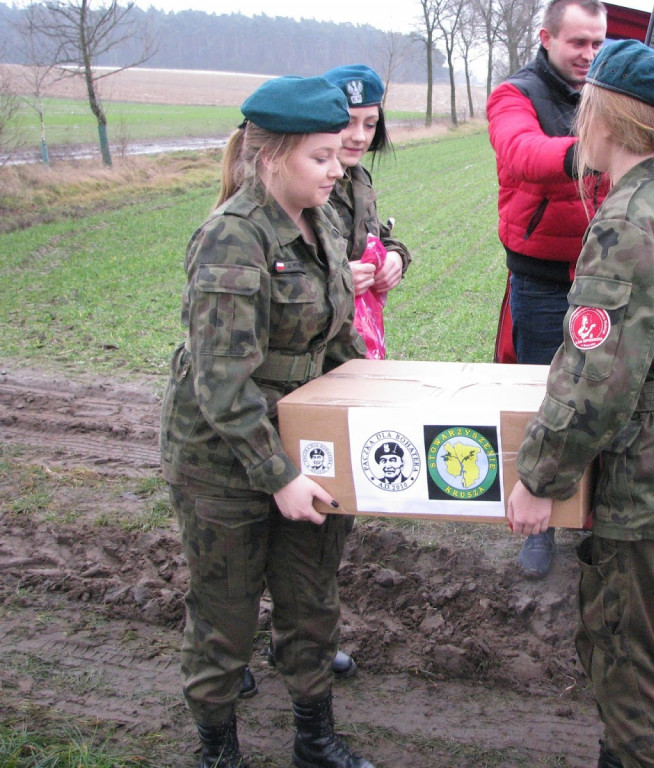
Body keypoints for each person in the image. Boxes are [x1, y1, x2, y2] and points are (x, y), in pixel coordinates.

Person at [505, 39, 654, 768]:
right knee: (636, 646)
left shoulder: (626, 221)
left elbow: (598, 376)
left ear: (604, 121)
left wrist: (537, 478)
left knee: (628, 665)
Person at [160, 75, 375, 768]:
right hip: (226, 458)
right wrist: (277, 474)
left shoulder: (326, 218)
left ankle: (314, 740)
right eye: (320, 157)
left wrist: (365, 404)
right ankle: (216, 749)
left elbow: (335, 337)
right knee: (225, 614)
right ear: (270, 157)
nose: (337, 167)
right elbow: (222, 382)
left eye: (337, 155)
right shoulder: (233, 238)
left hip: (302, 444)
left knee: (311, 600)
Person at [241, 63, 406, 699]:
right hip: (272, 395)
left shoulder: (350, 188)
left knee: (313, 543)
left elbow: (375, 243)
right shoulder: (255, 214)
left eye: (370, 126)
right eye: (346, 131)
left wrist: (391, 260)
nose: (355, 145)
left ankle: (305, 645)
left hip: (325, 379)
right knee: (247, 551)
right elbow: (228, 367)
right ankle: (234, 655)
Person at [487, 0, 608, 578]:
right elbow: (521, 153)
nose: (588, 55)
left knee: (604, 396)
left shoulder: (609, 90)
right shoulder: (515, 94)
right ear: (547, 38)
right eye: (577, 43)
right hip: (541, 281)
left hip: (606, 278)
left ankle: (594, 514)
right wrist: (595, 155)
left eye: (596, 43)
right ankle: (542, 526)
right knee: (542, 399)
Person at [322, 63, 412, 349]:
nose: (360, 136)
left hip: (352, 343)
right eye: (348, 122)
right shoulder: (306, 185)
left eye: (370, 124)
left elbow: (375, 237)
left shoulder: (358, 177)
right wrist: (340, 281)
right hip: (316, 348)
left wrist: (396, 258)